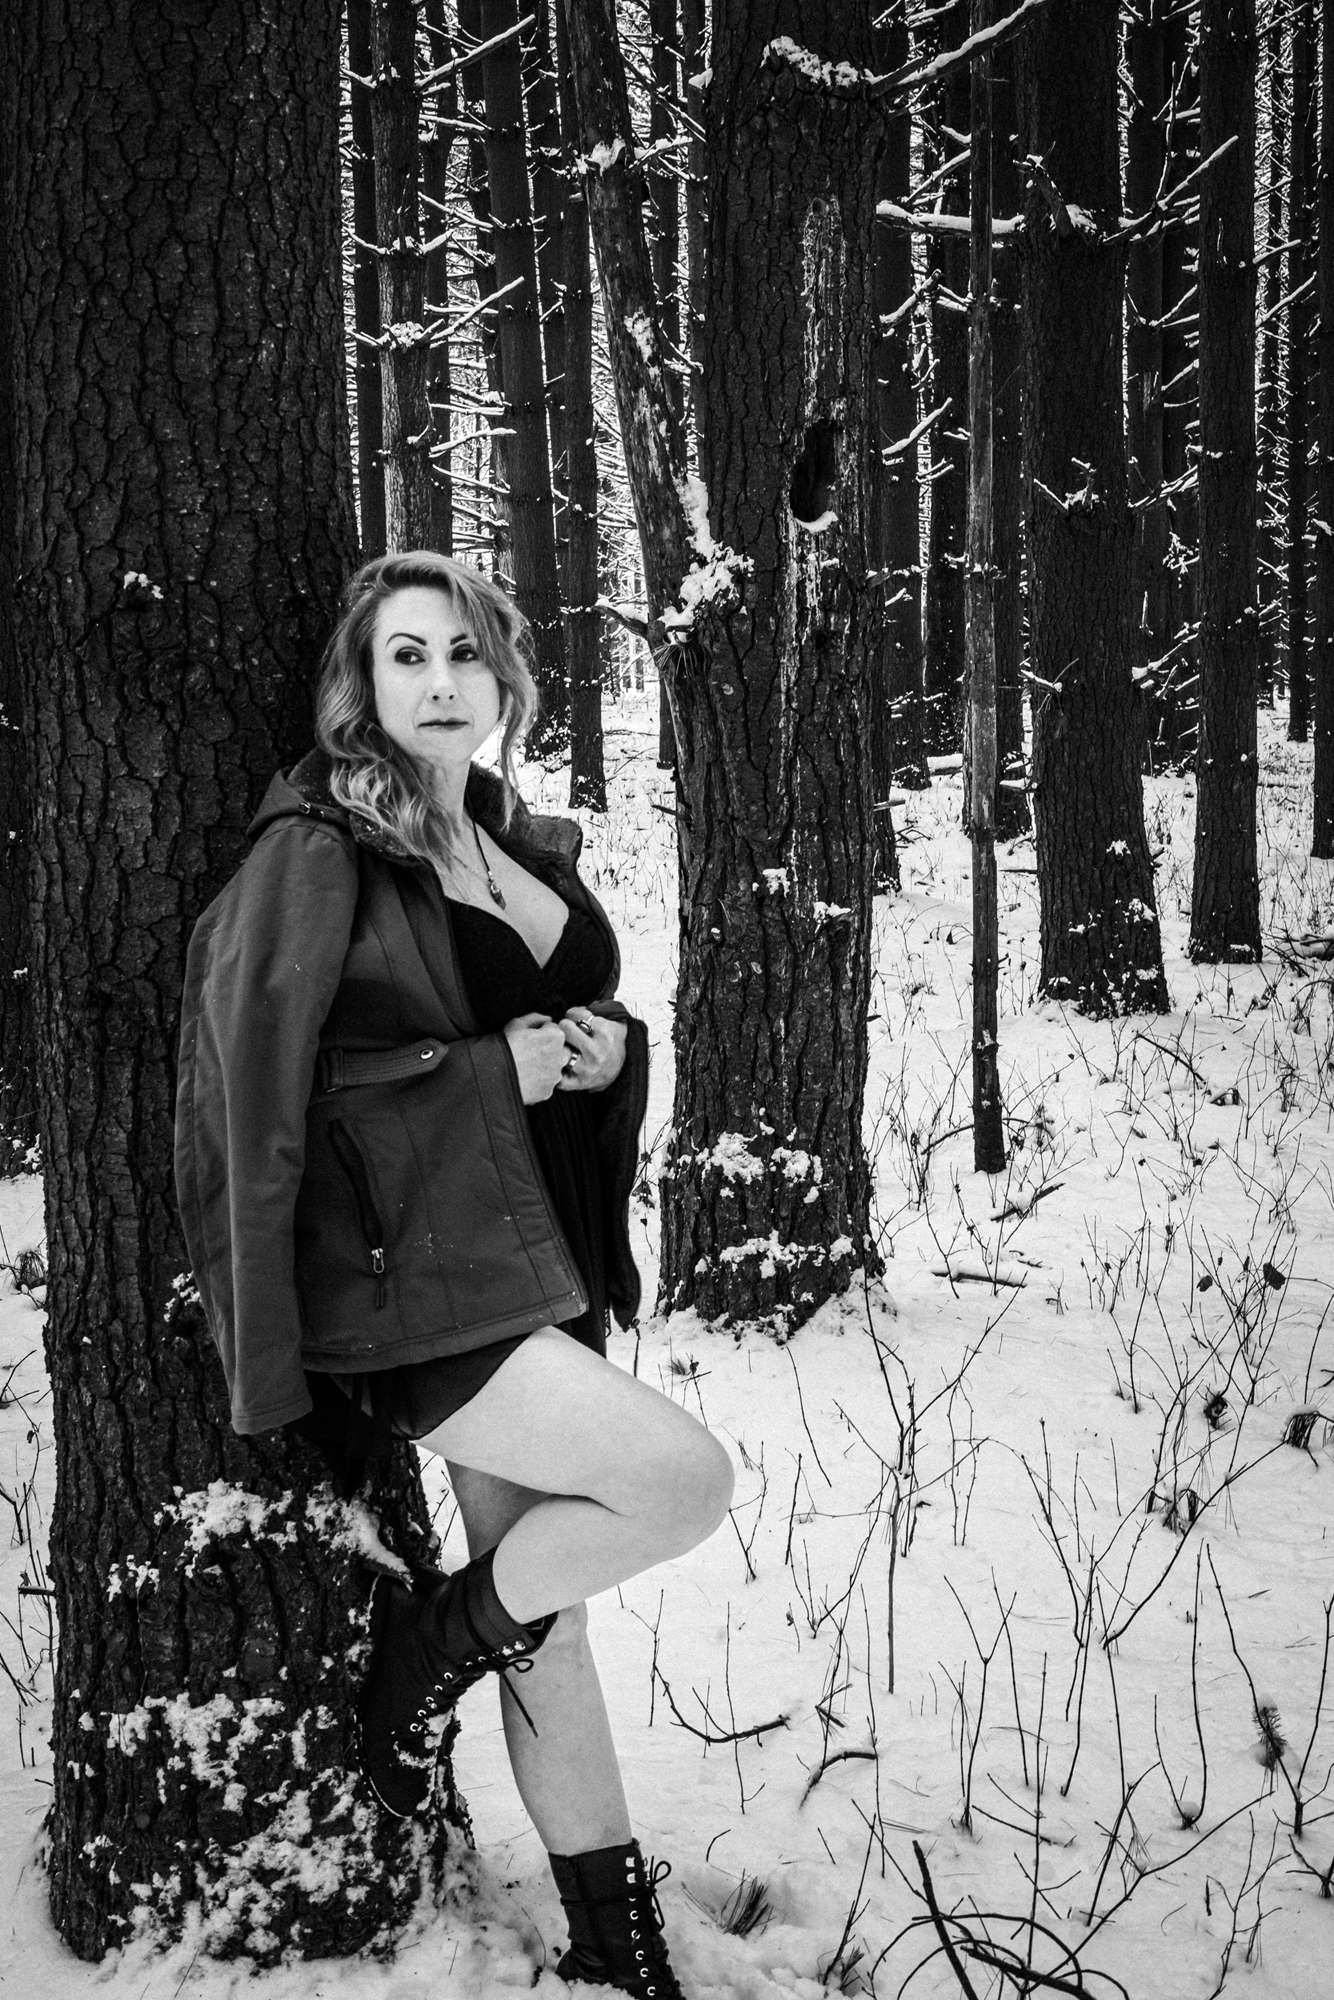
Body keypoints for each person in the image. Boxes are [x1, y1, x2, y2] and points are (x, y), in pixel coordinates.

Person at [174, 551, 734, 1997]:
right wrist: (494, 1071)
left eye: (462, 656)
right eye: (404, 657)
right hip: (408, 1273)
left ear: (504, 679)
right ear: (357, 683)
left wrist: (605, 1051)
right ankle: (426, 1644)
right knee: (676, 1483)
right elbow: (251, 1093)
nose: (437, 683)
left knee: (545, 1618)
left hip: (524, 1250)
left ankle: (616, 1947)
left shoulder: (500, 829)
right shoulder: (318, 848)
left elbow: (540, 1011)